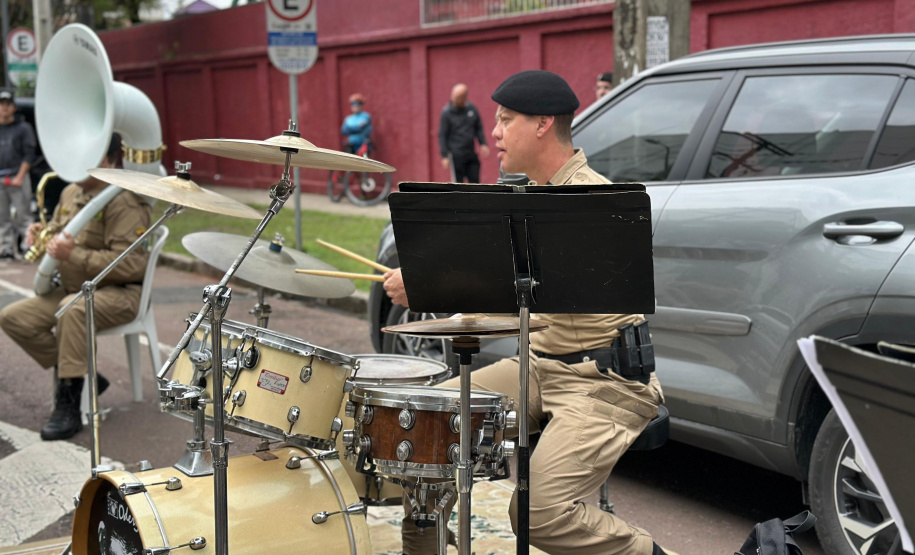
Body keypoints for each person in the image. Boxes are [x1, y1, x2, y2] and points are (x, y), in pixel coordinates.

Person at [384, 70, 667, 555]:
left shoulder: (591, 200)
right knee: (423, 427)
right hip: (540, 368)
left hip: (605, 381)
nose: (492, 133)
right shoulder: (527, 196)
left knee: (536, 516)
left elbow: (538, 287)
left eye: (505, 120)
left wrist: (433, 285)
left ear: (542, 124)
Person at [0, 134, 151, 441]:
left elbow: (134, 265)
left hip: (119, 292)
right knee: (13, 318)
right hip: (73, 289)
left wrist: (75, 255)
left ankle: (68, 406)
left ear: (109, 160)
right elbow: (58, 231)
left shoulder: (123, 201)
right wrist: (41, 234)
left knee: (72, 311)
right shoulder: (71, 191)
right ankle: (86, 374)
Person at [0, 88, 37, 259]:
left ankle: (28, 246)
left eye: (8, 104)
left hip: (18, 176)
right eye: (1, 104)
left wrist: (20, 176)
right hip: (1, 177)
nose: (4, 108)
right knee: (2, 217)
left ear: (14, 107)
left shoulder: (23, 128)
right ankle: (6, 248)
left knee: (24, 214)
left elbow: (29, 153)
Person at [439, 83, 489, 183]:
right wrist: (444, 155)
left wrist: (483, 143)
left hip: (470, 153)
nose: (453, 99)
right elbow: (442, 135)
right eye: (453, 95)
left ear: (464, 97)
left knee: (475, 184)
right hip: (456, 155)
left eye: (457, 97)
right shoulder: (446, 113)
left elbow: (478, 128)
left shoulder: (472, 109)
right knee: (458, 186)